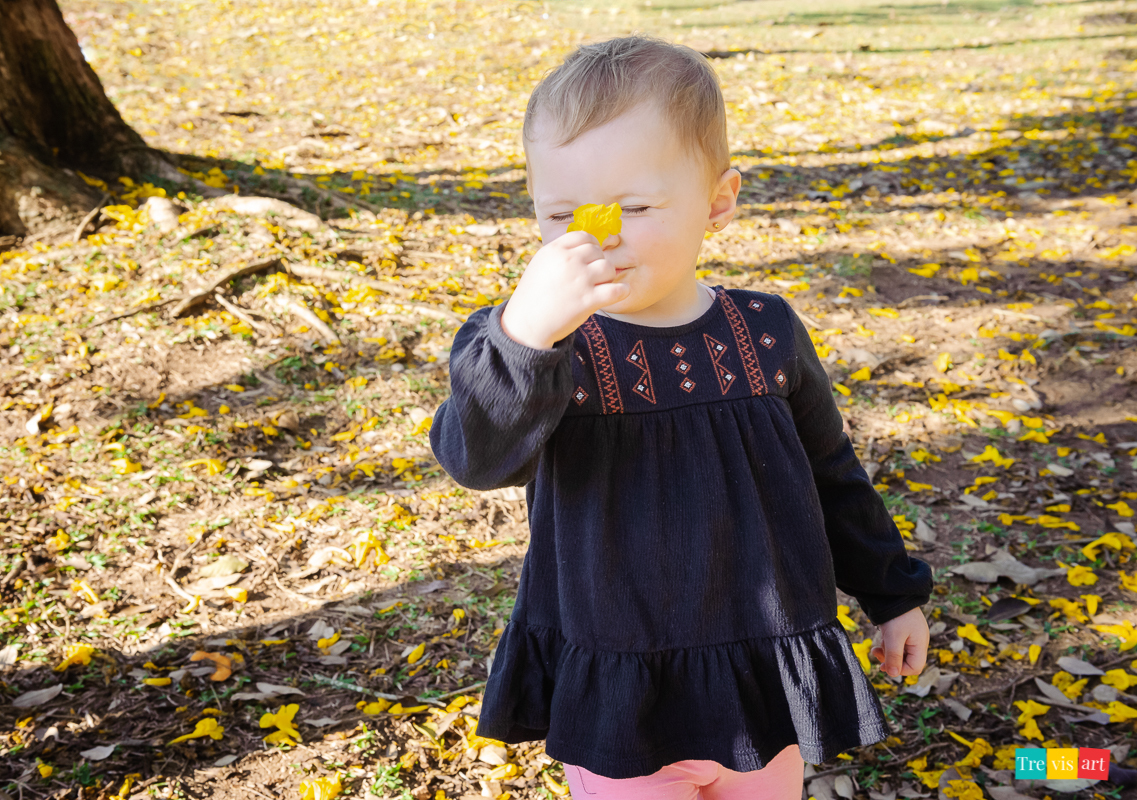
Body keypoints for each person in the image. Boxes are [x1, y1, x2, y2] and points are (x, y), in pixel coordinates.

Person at [429, 35, 933, 800]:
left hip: (756, 678)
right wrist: (526, 337)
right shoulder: (532, 343)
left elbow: (830, 471)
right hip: (619, 685)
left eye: (630, 207)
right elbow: (478, 459)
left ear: (718, 201)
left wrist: (892, 594)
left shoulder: (765, 332)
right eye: (561, 212)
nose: (594, 235)